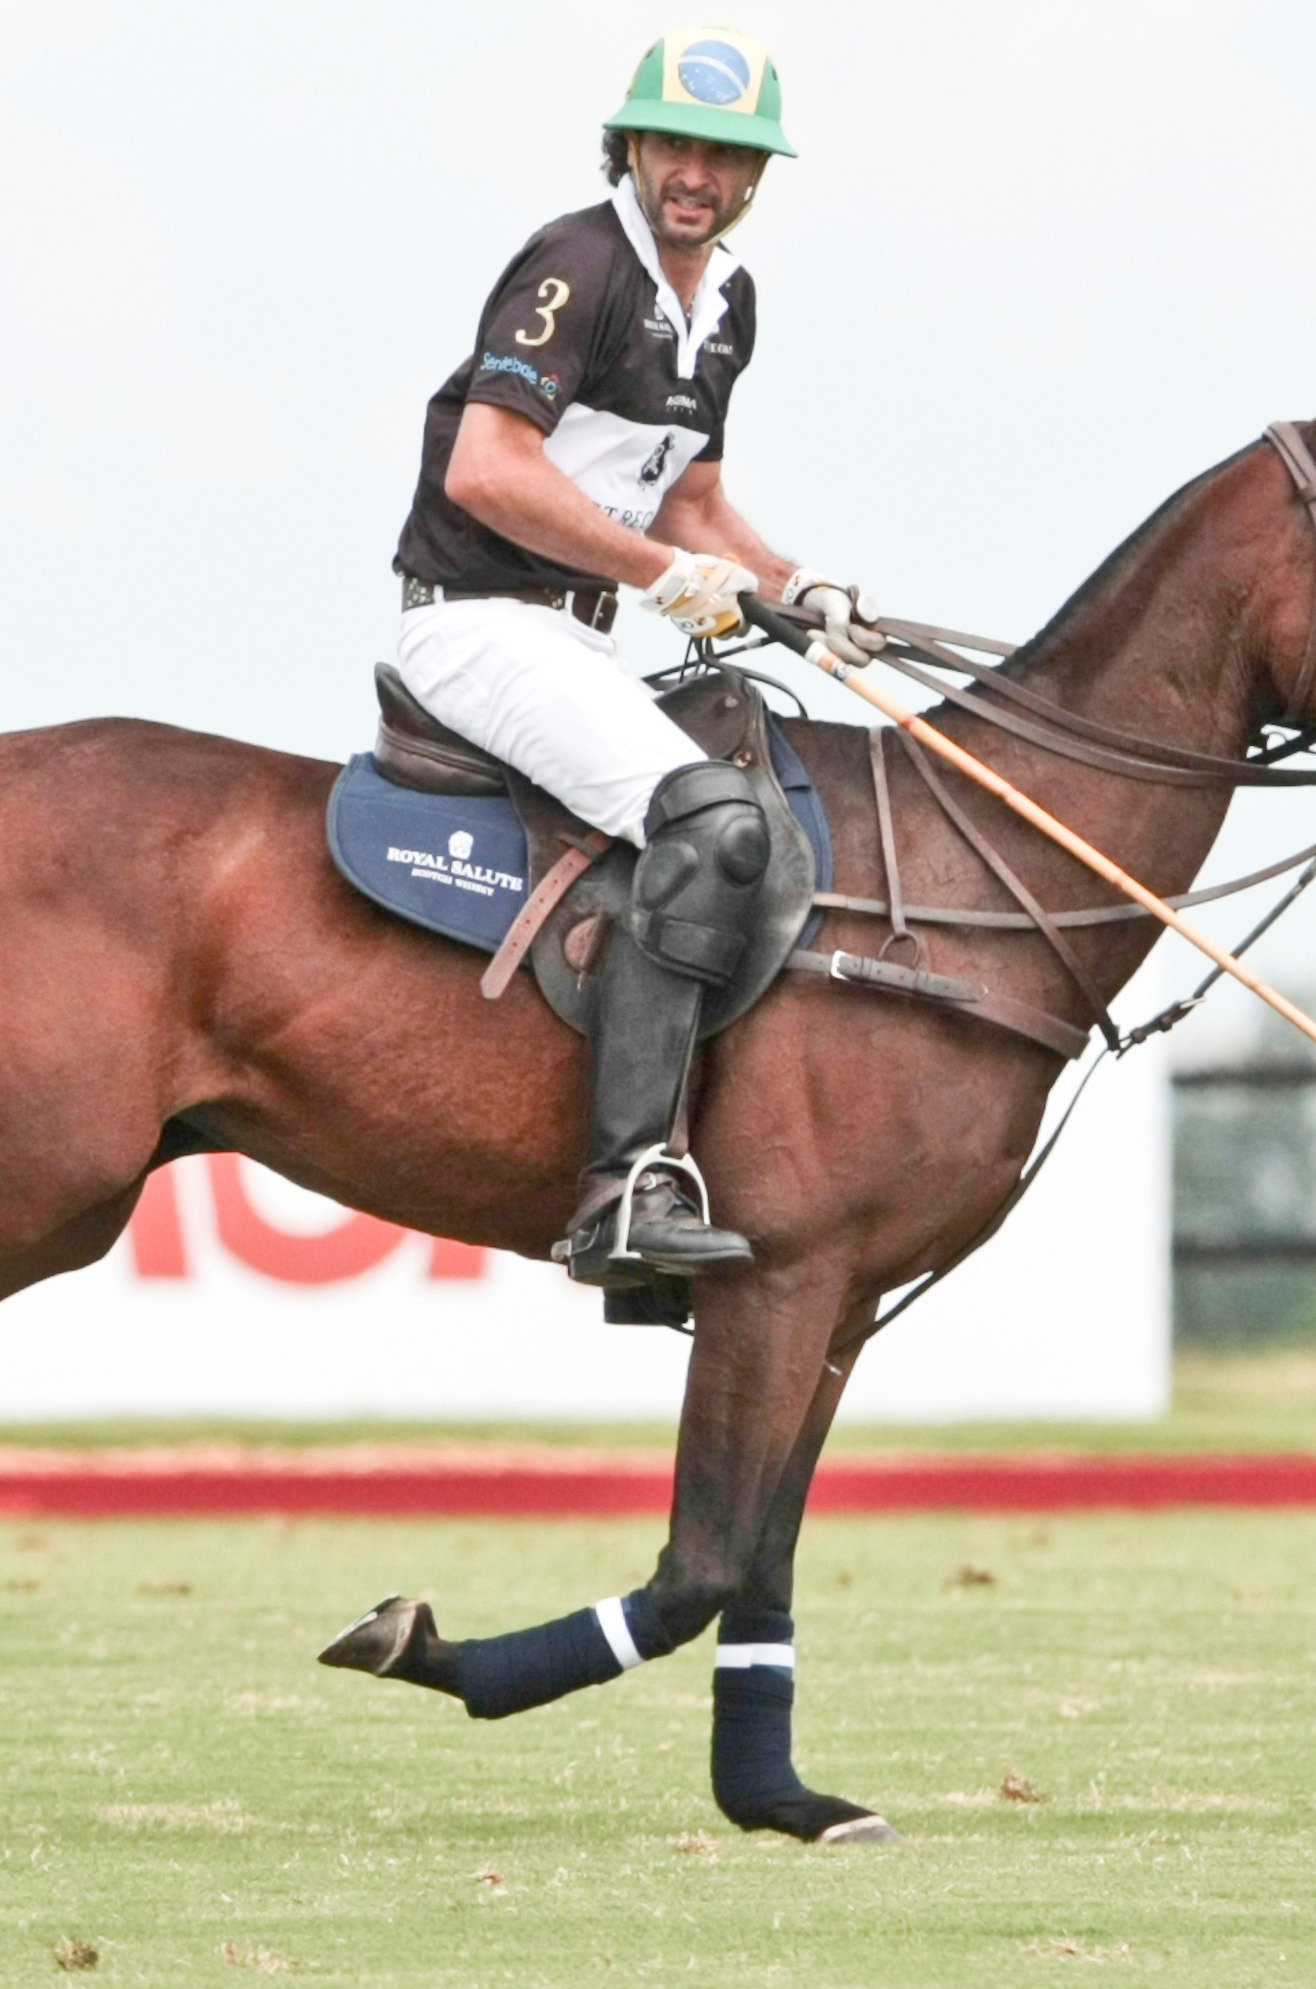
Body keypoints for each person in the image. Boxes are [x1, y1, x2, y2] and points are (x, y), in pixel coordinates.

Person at [390, 27, 882, 1290]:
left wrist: (797, 587)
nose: (697, 173)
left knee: (757, 789)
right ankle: (620, 1190)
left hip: (579, 630)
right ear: (632, 143)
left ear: (758, 175)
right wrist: (664, 579)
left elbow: (695, 502)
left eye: (727, 154)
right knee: (716, 826)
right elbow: (487, 468)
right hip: (478, 617)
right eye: (676, 143)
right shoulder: (579, 262)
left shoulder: (728, 304)